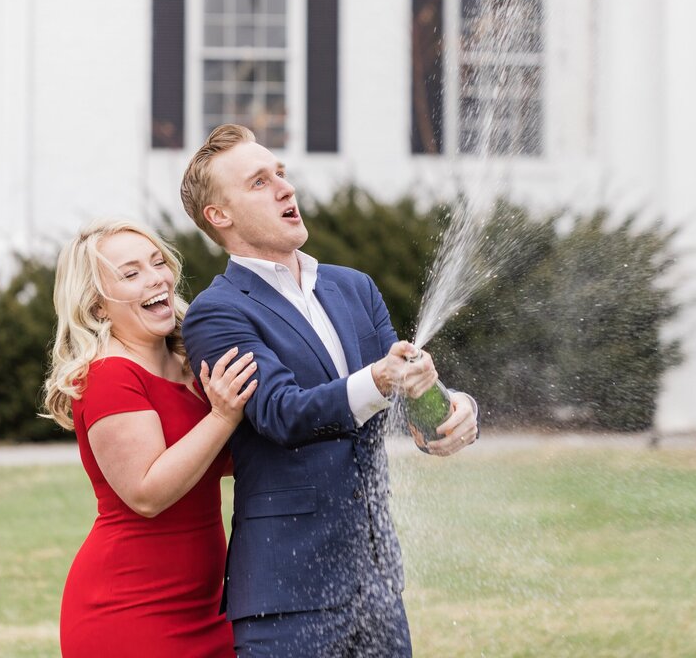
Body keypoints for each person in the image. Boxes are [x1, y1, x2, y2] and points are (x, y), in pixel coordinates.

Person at [179, 124, 479, 657]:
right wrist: (381, 378)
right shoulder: (218, 311)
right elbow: (280, 413)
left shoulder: (354, 287)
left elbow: (406, 396)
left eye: (281, 174)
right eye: (258, 182)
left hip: (378, 583)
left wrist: (449, 408)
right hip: (287, 593)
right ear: (219, 217)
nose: (284, 188)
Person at [43, 218, 258, 657]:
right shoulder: (108, 375)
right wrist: (221, 417)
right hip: (130, 612)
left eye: (158, 262)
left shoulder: (193, 364)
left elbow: (240, 456)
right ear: (98, 306)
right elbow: (147, 492)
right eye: (131, 272)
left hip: (209, 607)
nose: (156, 277)